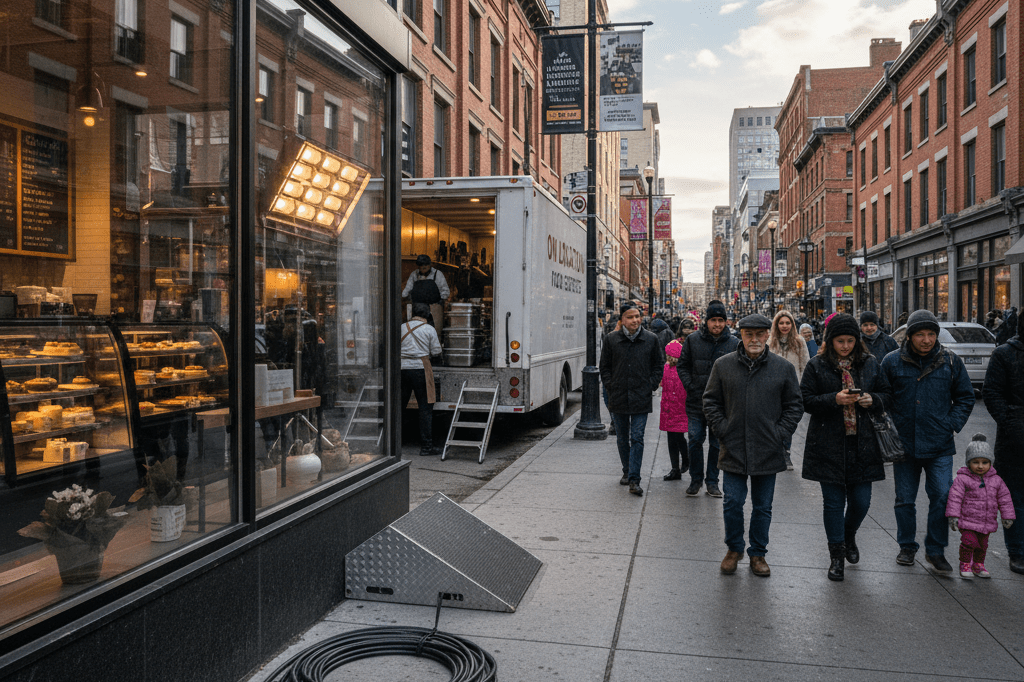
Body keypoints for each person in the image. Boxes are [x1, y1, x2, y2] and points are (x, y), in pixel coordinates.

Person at [704, 313, 803, 577]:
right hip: (734, 447)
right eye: (749, 334)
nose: (755, 339)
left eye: (760, 334)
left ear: (767, 336)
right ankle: (734, 549)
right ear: (741, 335)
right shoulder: (723, 366)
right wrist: (723, 429)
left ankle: (758, 554)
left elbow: (794, 405)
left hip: (767, 449)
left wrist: (780, 433)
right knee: (733, 503)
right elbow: (710, 401)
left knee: (763, 506)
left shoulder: (783, 368)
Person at [880, 309, 976, 572]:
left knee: (943, 496)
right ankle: (907, 547)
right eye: (920, 334)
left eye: (931, 334)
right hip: (904, 445)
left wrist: (951, 424)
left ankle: (935, 550)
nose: (926, 340)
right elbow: (882, 398)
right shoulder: (891, 362)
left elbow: (966, 397)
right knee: (905, 499)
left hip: (939, 444)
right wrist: (890, 428)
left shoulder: (951, 362)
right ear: (909, 336)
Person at [800, 314, 892, 581]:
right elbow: (805, 399)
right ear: (830, 341)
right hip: (827, 443)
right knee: (833, 503)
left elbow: (887, 395)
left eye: (850, 341)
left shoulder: (870, 364)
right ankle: (836, 556)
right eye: (840, 341)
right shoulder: (817, 365)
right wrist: (834, 399)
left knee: (861, 502)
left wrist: (871, 399)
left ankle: (848, 534)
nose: (845, 346)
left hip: (863, 445)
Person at [599, 303, 664, 497]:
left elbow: (658, 365)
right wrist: (611, 385)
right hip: (618, 396)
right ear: (622, 320)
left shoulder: (650, 339)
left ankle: (634, 479)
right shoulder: (612, 340)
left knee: (637, 437)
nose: (635, 320)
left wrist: (650, 385)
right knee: (621, 438)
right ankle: (627, 471)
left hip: (640, 397)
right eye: (630, 317)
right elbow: (605, 367)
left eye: (637, 316)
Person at [677, 300, 739, 498]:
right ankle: (696, 480)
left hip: (721, 405)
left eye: (721, 320)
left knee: (716, 444)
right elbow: (683, 366)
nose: (717, 324)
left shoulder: (734, 343)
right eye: (714, 320)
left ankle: (712, 482)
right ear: (707, 321)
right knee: (694, 440)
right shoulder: (693, 340)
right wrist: (690, 385)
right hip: (696, 401)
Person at [981, 312, 1024, 574]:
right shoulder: (1005, 354)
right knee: (1015, 498)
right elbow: (991, 392)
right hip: (1014, 440)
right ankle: (1017, 551)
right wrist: (1011, 423)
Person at [946, 434, 1016, 579]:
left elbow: (1005, 499)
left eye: (985, 462)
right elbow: (955, 497)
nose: (980, 466)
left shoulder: (996, 480)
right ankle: (965, 563)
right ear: (968, 462)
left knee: (982, 545)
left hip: (986, 522)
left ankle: (978, 564)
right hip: (967, 520)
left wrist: (1007, 516)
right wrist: (953, 515)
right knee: (968, 542)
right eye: (975, 462)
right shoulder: (963, 479)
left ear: (990, 463)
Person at [400, 303, 443, 456]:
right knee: (425, 408)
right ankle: (426, 447)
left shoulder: (402, 327)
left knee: (400, 407)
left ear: (413, 313)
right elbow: (436, 351)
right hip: (420, 369)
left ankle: (395, 442)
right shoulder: (429, 329)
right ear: (428, 314)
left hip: (402, 369)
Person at [769, 309, 810, 471]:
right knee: (775, 420)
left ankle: (785, 451)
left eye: (787, 323)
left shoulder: (799, 341)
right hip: (773, 389)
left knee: (789, 421)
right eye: (781, 323)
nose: (784, 326)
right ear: (776, 325)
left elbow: (805, 365)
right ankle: (778, 451)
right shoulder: (770, 342)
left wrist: (804, 387)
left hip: (793, 389)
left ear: (792, 324)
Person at [660, 339, 689, 481]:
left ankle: (684, 460)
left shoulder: (683, 368)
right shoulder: (666, 368)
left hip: (679, 409)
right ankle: (675, 468)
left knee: (677, 438)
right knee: (673, 439)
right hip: (669, 410)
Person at [402, 255, 450, 338]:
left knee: (434, 334)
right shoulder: (414, 275)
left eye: (425, 266)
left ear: (429, 265)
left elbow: (446, 292)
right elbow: (405, 292)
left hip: (434, 309)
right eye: (421, 266)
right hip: (418, 309)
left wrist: (437, 299)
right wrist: (406, 296)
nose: (423, 268)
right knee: (418, 335)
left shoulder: (437, 274)